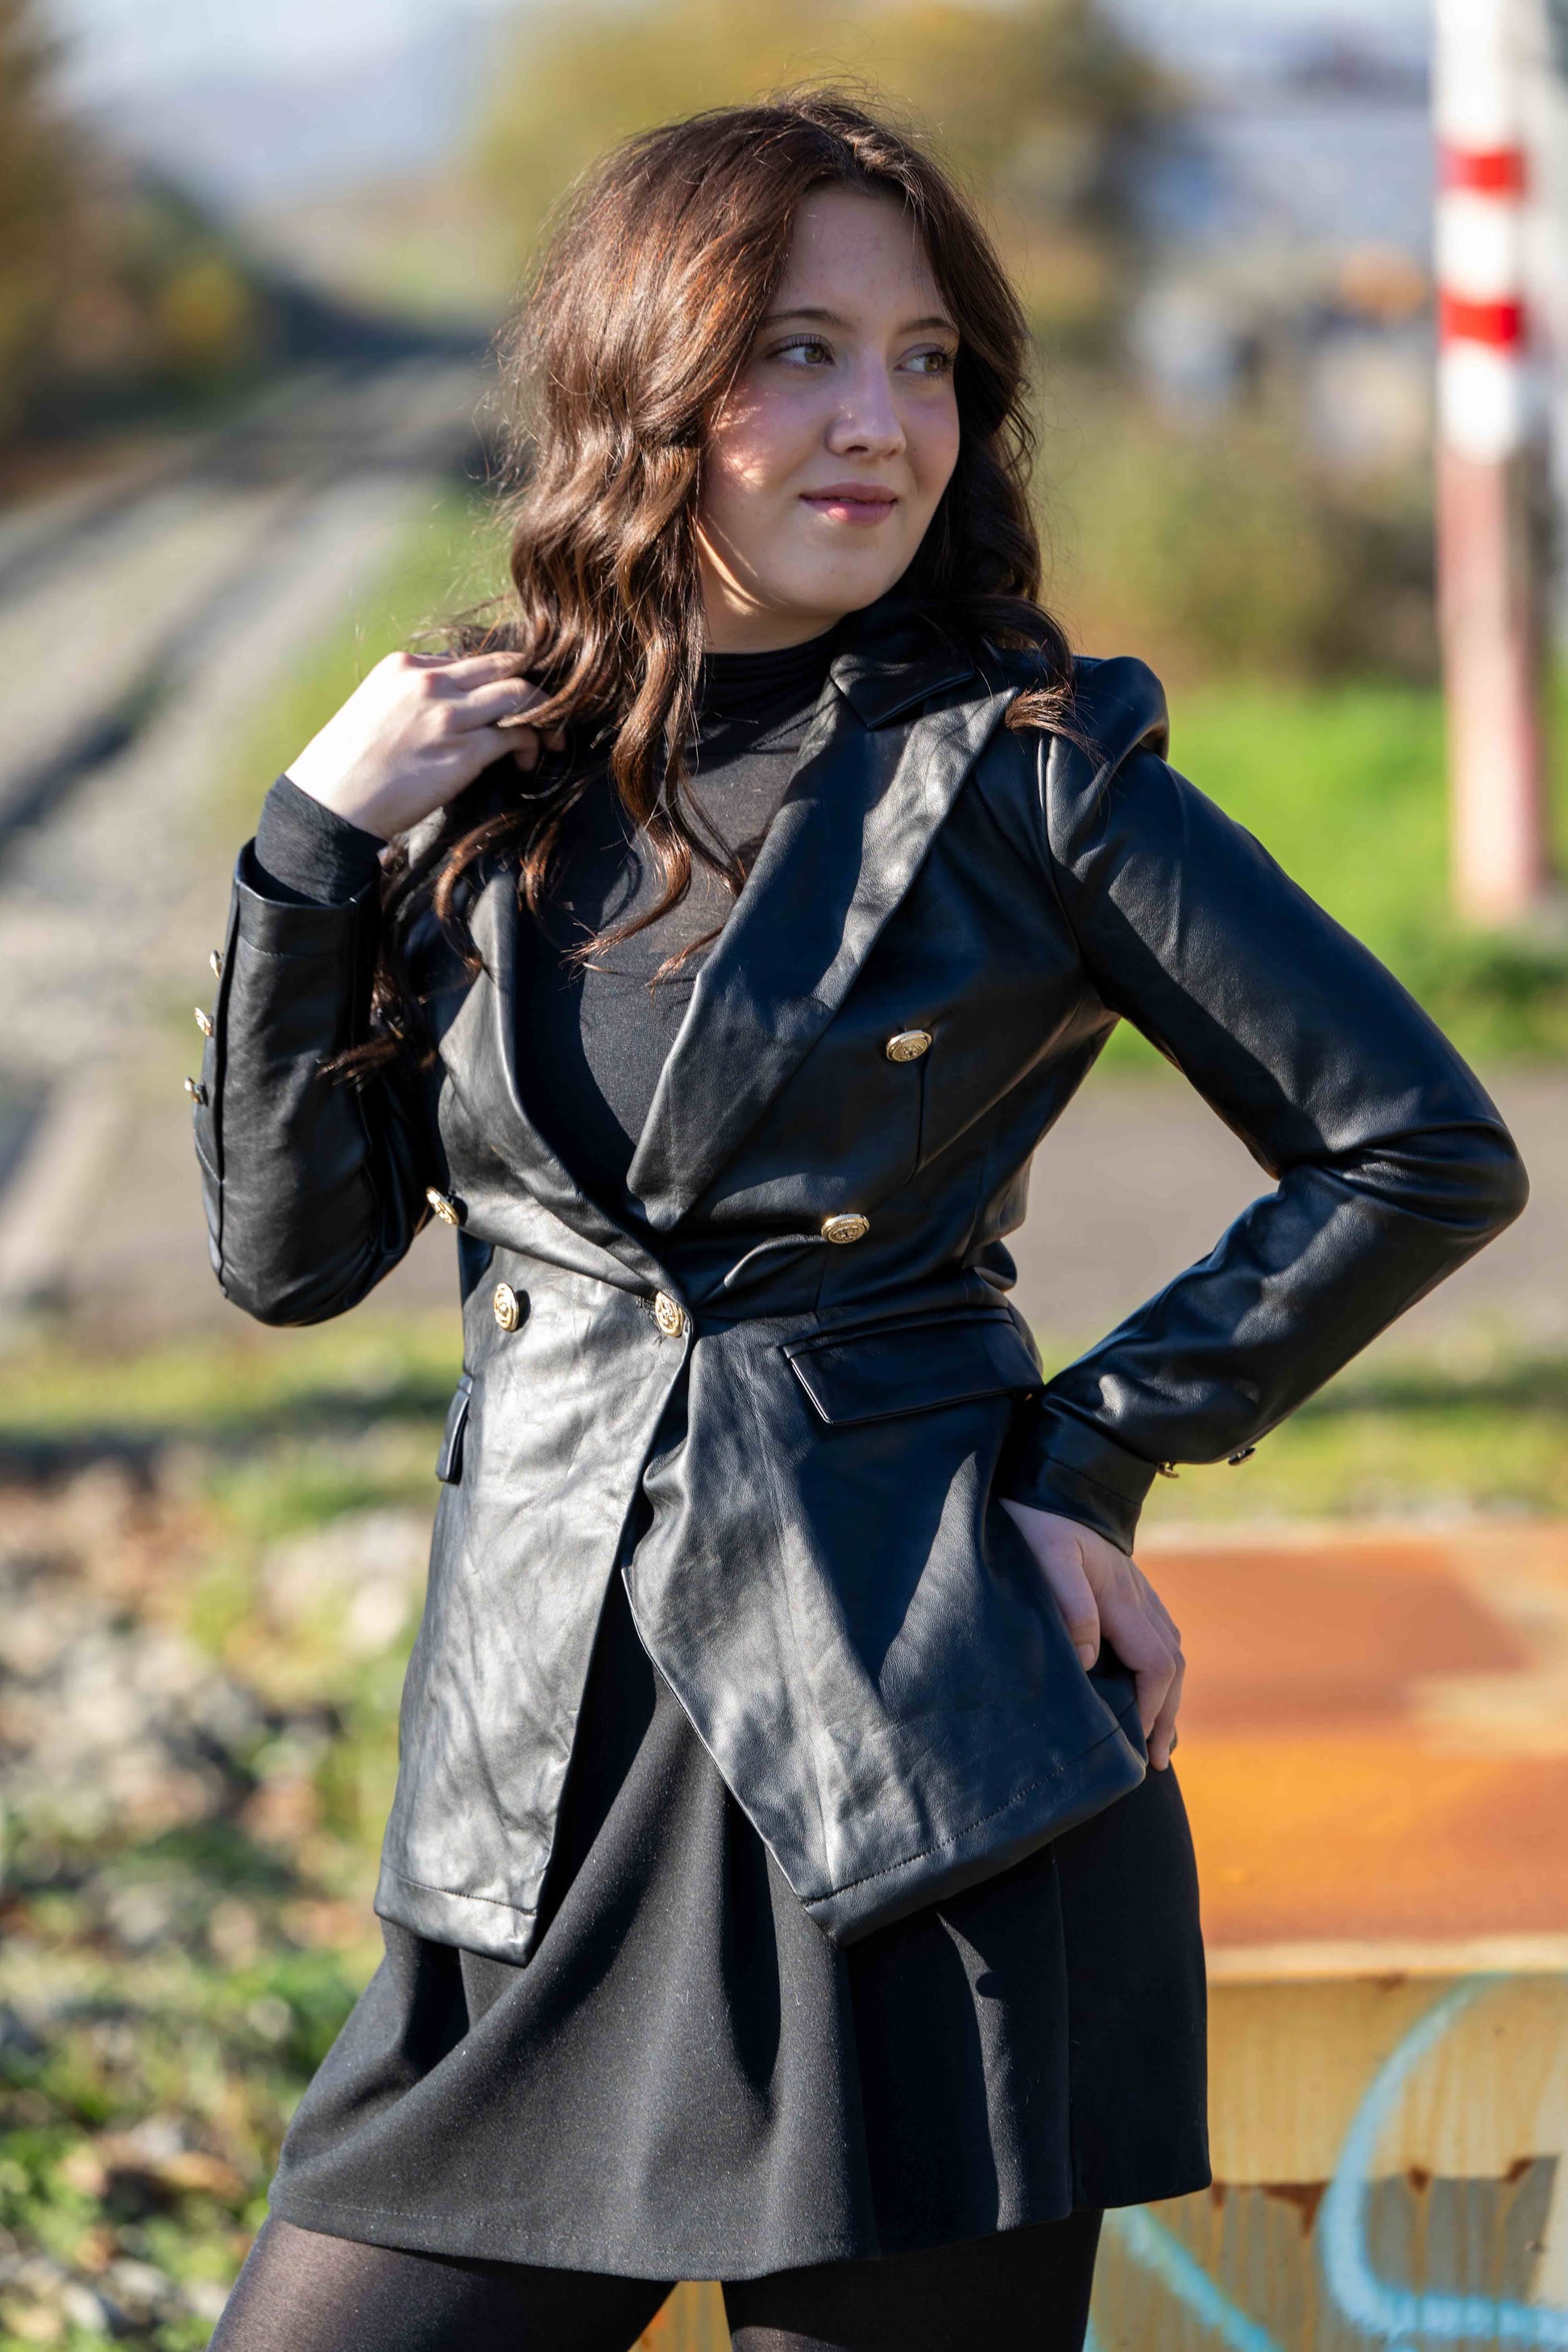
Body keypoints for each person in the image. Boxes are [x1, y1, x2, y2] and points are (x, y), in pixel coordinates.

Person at [193, 93, 1526, 2352]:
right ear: (644, 379)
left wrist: (1090, 1460)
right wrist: (308, 852)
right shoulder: (488, 779)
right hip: (541, 1796)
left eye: (924, 363)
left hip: (923, 1793)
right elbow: (292, 1257)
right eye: (796, 353)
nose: (877, 423)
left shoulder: (1025, 764)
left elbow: (1413, 1145)